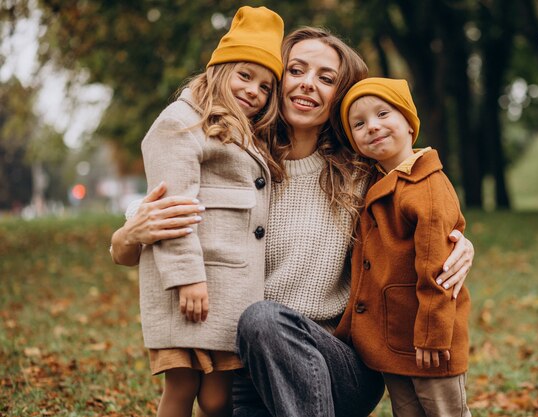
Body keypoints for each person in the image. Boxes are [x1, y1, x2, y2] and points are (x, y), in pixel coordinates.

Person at [110, 27, 475, 417]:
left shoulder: (361, 173)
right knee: (255, 329)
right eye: (296, 71)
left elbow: (422, 199)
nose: (307, 85)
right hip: (245, 367)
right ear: (276, 81)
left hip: (339, 365)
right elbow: (159, 226)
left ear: (342, 95)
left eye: (326, 78)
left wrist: (461, 243)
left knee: (263, 318)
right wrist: (127, 234)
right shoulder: (237, 158)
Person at [130, 7, 284, 417]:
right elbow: (173, 209)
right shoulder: (180, 123)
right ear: (219, 71)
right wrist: (187, 279)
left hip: (229, 288)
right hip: (192, 286)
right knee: (181, 388)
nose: (254, 91)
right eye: (244, 76)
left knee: (217, 398)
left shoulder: (245, 132)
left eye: (266, 86)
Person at [335, 77, 471, 417]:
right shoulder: (379, 181)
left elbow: (436, 266)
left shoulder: (425, 185)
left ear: (409, 124)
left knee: (443, 411)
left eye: (383, 114)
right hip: (395, 338)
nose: (373, 127)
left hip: (429, 340)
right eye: (359, 124)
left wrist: (433, 333)